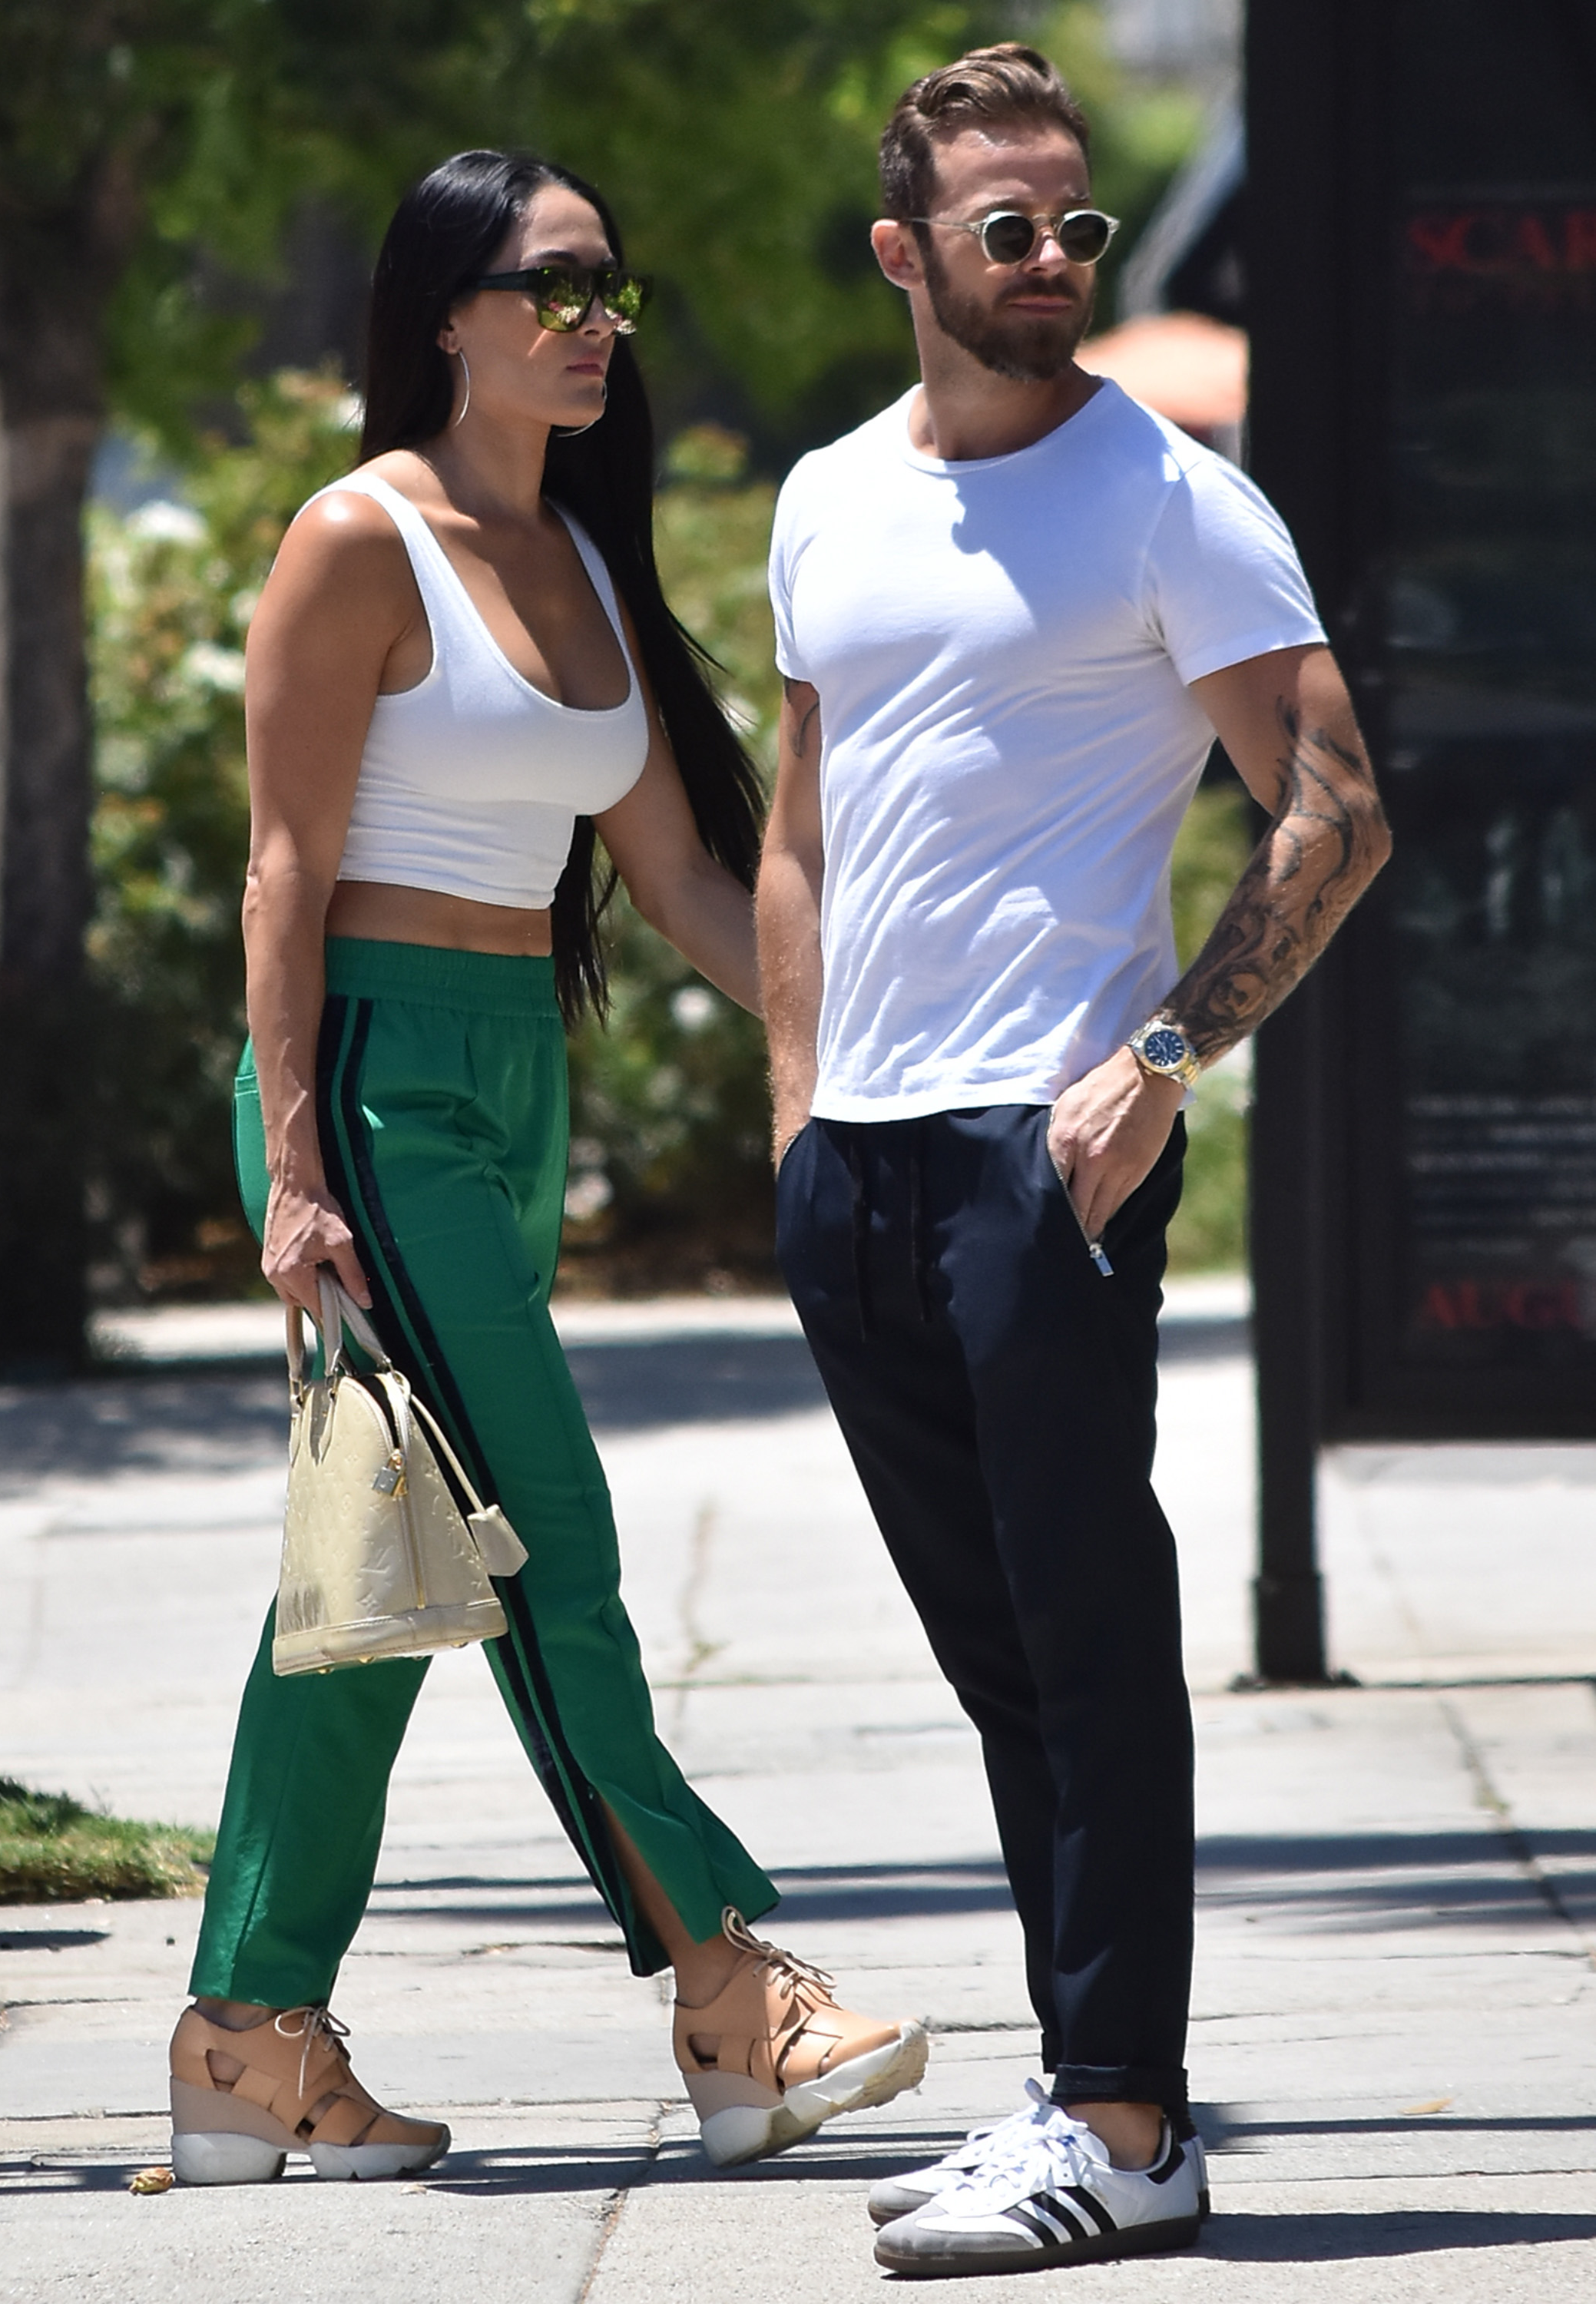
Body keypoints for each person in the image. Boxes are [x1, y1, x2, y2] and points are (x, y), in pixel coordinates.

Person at [168, 147, 926, 2188]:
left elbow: (679, 867)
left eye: (613, 291)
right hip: (376, 1086)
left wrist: (858, 1055)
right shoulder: (358, 541)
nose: (597, 325)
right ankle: (727, 1984)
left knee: (374, 1586)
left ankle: (249, 2036)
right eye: (557, 288)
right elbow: (283, 871)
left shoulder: (583, 556)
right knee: (545, 1549)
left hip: (511, 1081)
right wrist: (298, 1165)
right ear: (444, 313)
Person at [759, 45, 1391, 2278]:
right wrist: (791, 1116)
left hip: (1053, 1155)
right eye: (1006, 228)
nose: (1047, 262)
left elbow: (1332, 807)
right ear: (903, 255)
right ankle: (1081, 2094)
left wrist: (1157, 1057)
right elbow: (802, 817)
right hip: (857, 1167)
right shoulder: (827, 497)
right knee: (998, 1660)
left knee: (1089, 1640)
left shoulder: (1161, 495)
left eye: (1073, 228)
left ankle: (1121, 2115)